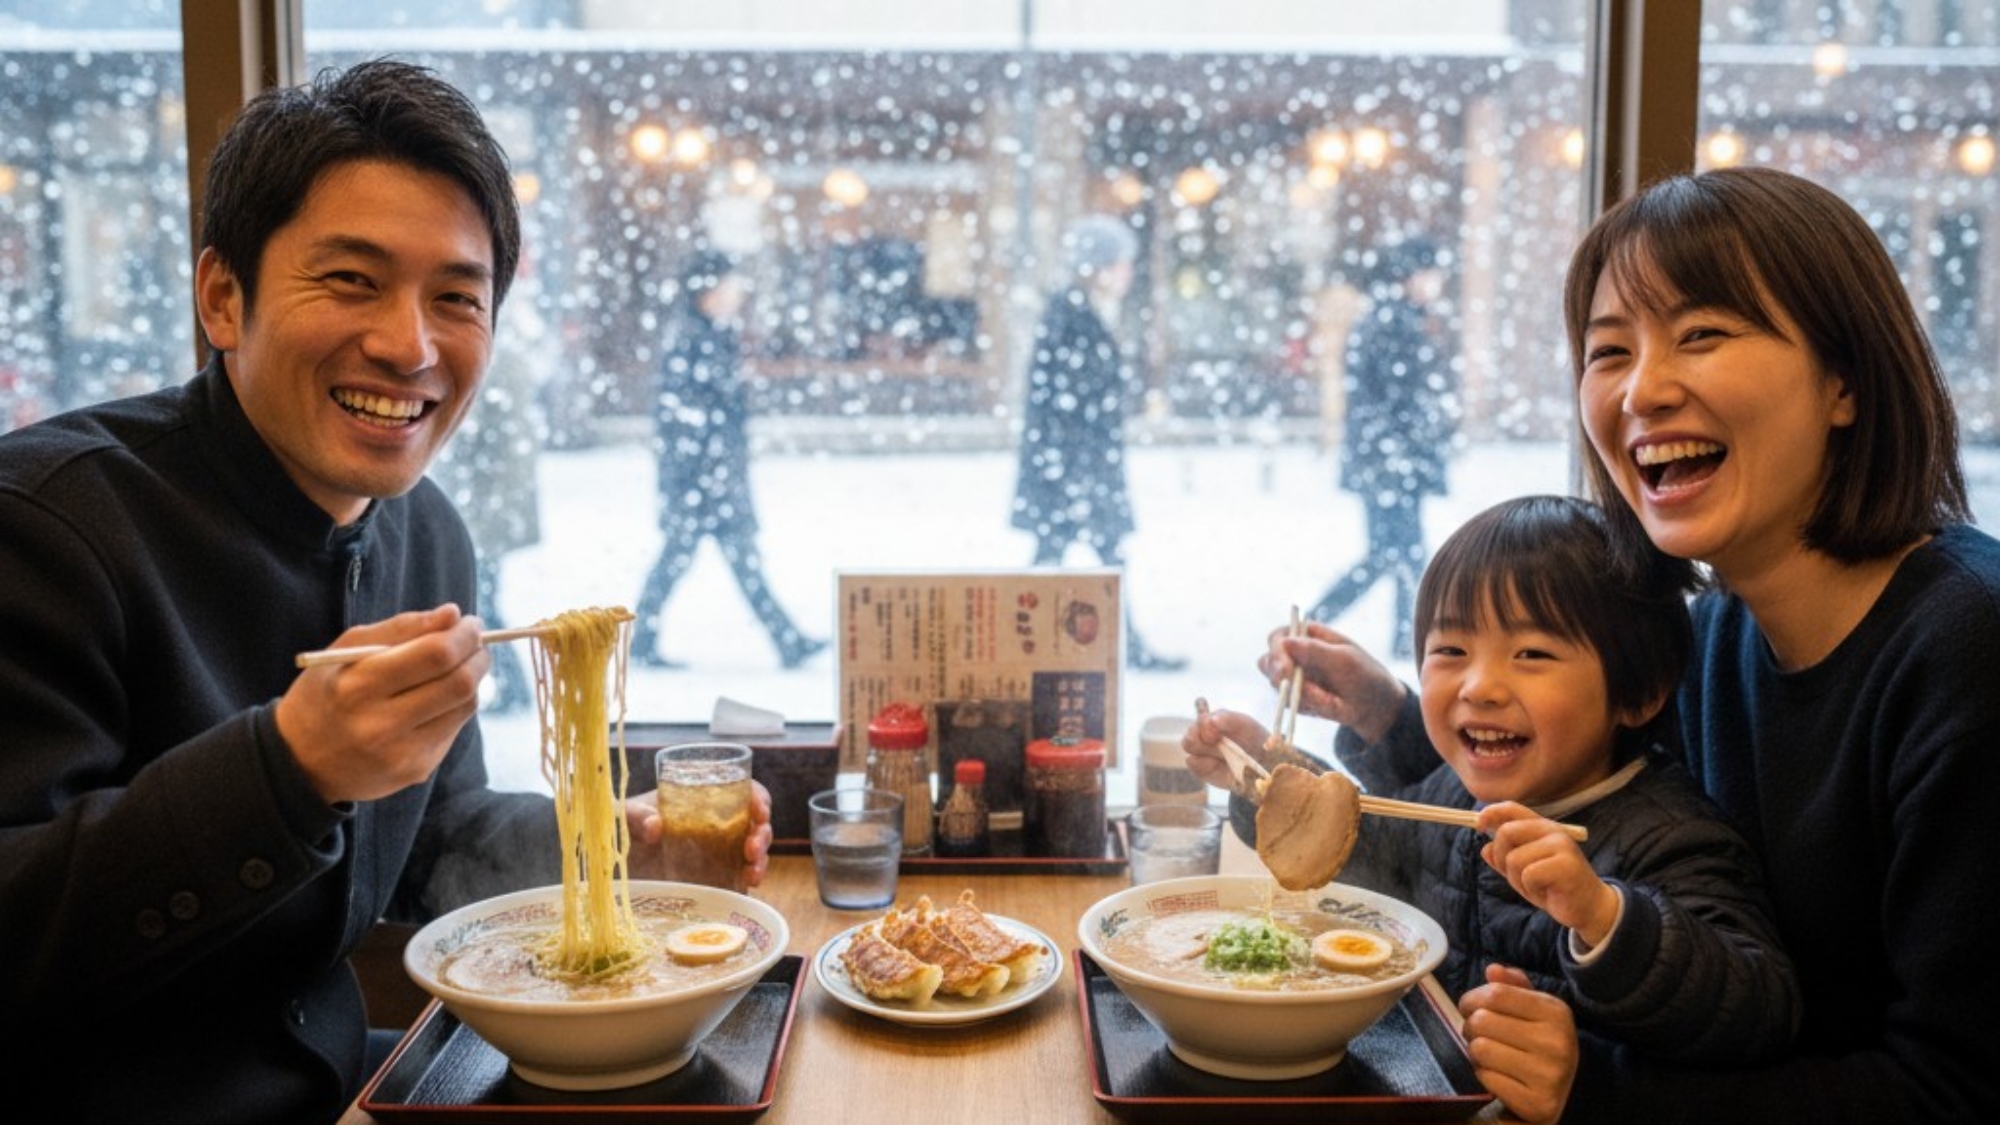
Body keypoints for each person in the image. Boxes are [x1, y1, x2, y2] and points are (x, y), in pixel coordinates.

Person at [0, 60, 771, 1125]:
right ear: (223, 297)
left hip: (343, 1088)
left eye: (456, 298)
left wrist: (619, 844)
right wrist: (285, 770)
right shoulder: (44, 527)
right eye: (352, 281)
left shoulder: (425, 535)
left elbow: (432, 843)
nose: (409, 346)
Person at [1195, 167, 2000, 1124]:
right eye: (1609, 349)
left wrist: (1595, 1088)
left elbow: (1960, 1092)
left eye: (1702, 334)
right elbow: (1575, 804)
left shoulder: (1967, 655)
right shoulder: (1719, 630)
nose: (1642, 390)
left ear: (1846, 380)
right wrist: (1392, 718)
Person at [1193, 495, 1799, 1115]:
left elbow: (1761, 1006)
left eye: (1531, 654)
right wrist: (1267, 782)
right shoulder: (1459, 793)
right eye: (1450, 651)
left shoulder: (1669, 834)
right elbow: (1375, 845)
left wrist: (1603, 916)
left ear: (1639, 693)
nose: (1479, 686)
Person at [632, 250, 826, 670]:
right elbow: (684, 418)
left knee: (711, 561)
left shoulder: (707, 333)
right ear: (707, 290)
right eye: (729, 285)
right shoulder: (692, 338)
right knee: (689, 561)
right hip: (700, 478)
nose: (736, 294)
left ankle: (786, 639)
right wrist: (706, 472)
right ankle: (642, 639)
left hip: (710, 476)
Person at [1010, 214, 1185, 671]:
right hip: (1074, 468)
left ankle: (1024, 641)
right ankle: (1020, 641)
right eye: (1122, 263)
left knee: (1074, 558)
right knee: (1081, 559)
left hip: (1075, 467)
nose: (1128, 273)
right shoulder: (1071, 316)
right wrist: (1076, 471)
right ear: (1098, 266)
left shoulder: (1076, 312)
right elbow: (1068, 401)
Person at [1307, 234, 1457, 658]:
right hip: (1390, 462)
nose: (1436, 284)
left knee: (1401, 554)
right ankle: (1315, 622)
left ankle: (1401, 637)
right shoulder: (1394, 323)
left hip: (1388, 461)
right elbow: (1395, 400)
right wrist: (1410, 444)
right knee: (1393, 554)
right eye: (1430, 274)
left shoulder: (1396, 318)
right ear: (1409, 276)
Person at [429, 296, 547, 713]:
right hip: (491, 508)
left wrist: (486, 513)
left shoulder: (499, 367)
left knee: (480, 601)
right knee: (482, 599)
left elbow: (497, 449)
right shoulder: (506, 361)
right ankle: (511, 685)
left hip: (487, 511)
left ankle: (511, 684)